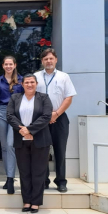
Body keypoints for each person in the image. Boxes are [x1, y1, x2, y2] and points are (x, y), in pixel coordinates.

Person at [7, 74, 53, 213]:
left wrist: (30, 130)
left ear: (36, 83)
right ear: (22, 84)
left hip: (40, 140)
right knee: (25, 172)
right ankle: (26, 201)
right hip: (21, 140)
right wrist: (22, 129)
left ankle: (36, 202)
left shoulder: (44, 98)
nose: (29, 85)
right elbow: (9, 115)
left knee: (38, 172)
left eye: (32, 82)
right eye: (26, 82)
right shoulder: (15, 98)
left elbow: (46, 116)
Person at [34, 48, 77, 193]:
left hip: (59, 117)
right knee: (42, 151)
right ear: (42, 61)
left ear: (56, 60)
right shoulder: (36, 77)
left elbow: (69, 97)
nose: (49, 61)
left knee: (60, 150)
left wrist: (56, 114)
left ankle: (61, 181)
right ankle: (44, 180)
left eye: (51, 58)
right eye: (46, 59)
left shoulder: (64, 77)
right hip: (40, 119)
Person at [0, 56, 24, 194]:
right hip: (0, 112)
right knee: (4, 147)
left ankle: (11, 178)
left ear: (14, 65)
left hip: (16, 114)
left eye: (10, 64)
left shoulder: (21, 80)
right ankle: (8, 177)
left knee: (11, 145)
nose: (8, 66)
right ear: (3, 65)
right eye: (6, 64)